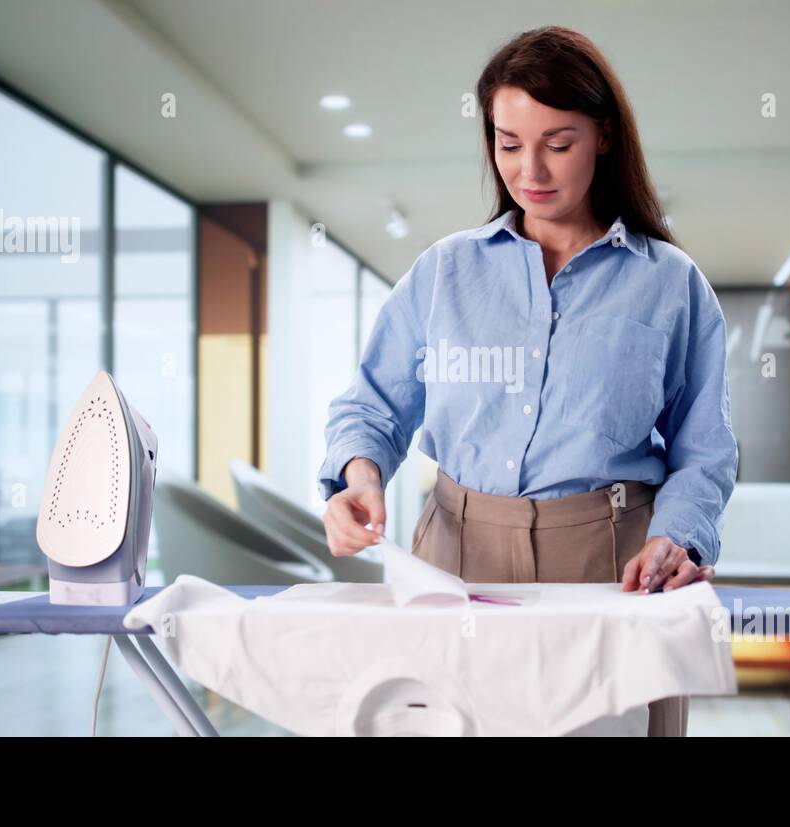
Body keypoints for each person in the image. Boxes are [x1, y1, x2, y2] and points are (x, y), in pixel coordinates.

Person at [316, 26, 738, 736]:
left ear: (604, 136)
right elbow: (373, 403)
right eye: (508, 143)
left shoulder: (671, 284)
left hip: (610, 558)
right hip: (453, 554)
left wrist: (681, 539)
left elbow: (706, 450)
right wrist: (359, 474)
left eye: (558, 142)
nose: (530, 169)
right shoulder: (444, 271)